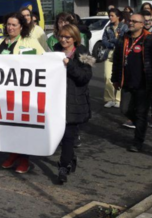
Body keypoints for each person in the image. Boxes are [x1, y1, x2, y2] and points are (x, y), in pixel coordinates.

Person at [0, 12, 45, 173]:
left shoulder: (30, 42)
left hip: (22, 93)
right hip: (3, 92)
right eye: (9, 24)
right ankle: (13, 154)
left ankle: (24, 159)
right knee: (9, 126)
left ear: (21, 27)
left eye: (14, 25)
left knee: (22, 126)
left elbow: (43, 60)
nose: (10, 27)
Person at [111, 13, 152, 152]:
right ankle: (142, 123)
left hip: (144, 84)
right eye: (130, 20)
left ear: (141, 24)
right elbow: (116, 61)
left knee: (141, 113)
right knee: (125, 109)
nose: (131, 23)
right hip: (127, 82)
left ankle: (138, 141)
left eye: (135, 21)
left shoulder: (150, 39)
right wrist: (115, 78)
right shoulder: (124, 39)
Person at [52, 24, 93, 184]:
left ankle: (63, 167)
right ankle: (70, 157)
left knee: (69, 135)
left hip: (74, 100)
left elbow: (85, 77)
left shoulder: (84, 53)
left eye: (67, 37)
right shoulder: (55, 51)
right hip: (56, 99)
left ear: (75, 38)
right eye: (61, 36)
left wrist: (70, 65)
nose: (63, 40)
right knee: (60, 135)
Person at [102, 9, 128, 108]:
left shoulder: (124, 27)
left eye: (112, 15)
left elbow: (122, 40)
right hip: (109, 53)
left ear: (118, 16)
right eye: (109, 15)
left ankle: (118, 99)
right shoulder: (108, 28)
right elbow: (104, 40)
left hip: (120, 54)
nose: (110, 17)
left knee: (119, 77)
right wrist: (112, 43)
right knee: (107, 77)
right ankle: (109, 99)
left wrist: (112, 40)